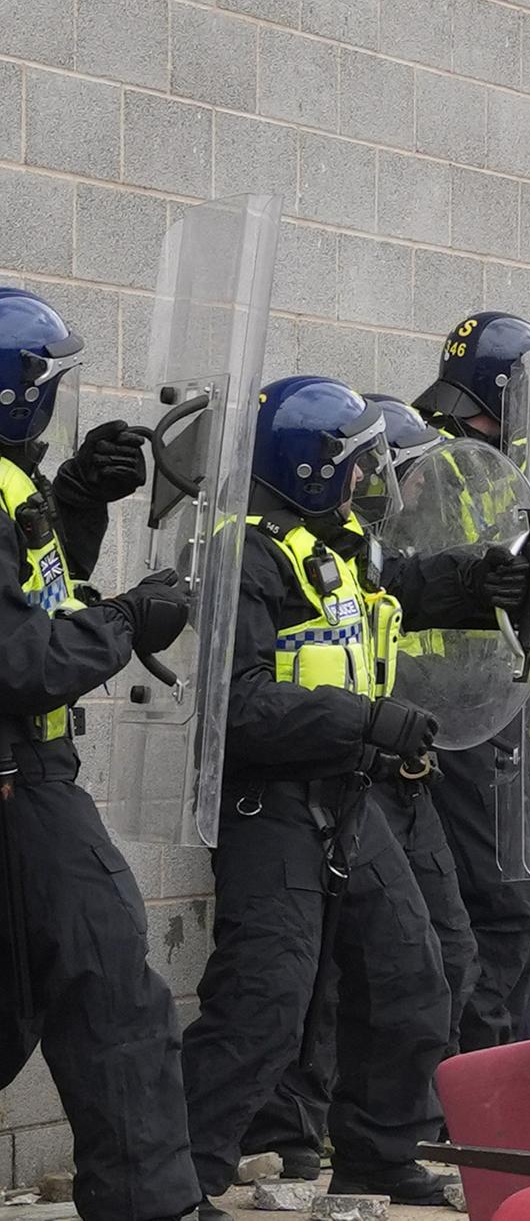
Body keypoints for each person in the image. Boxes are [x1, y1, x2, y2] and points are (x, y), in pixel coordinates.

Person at [184, 375, 516, 1206]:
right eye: (359, 466)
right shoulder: (244, 555)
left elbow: (392, 587)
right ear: (310, 467)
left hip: (349, 802)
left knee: (414, 980)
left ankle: (376, 1153)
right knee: (266, 1000)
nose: (372, 483)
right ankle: (180, 1173)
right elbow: (241, 704)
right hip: (274, 809)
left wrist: (477, 580)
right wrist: (367, 720)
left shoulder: (328, 547)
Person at [0, 290, 202, 1221]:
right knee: (113, 991)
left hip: (30, 781)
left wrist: (76, 499)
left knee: (97, 990)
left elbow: (39, 597)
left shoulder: (9, 483)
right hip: (20, 783)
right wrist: (128, 619)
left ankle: (148, 1203)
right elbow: (23, 661)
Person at [409, 312, 530, 1053]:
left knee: (496, 911)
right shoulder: (414, 453)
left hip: (486, 710)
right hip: (434, 715)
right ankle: (480, 1080)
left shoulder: (490, 463)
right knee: (503, 911)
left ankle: (481, 1075)